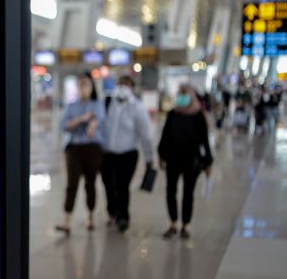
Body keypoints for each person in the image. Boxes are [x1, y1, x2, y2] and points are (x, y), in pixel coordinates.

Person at [158, 84, 213, 239]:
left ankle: (186, 225)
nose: (182, 96)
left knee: (188, 193)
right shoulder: (173, 114)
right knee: (170, 191)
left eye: (185, 93)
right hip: (173, 159)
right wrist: (161, 154)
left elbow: (204, 141)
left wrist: (208, 161)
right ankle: (173, 222)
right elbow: (165, 135)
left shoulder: (198, 116)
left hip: (192, 160)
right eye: (180, 93)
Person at [102, 76, 154, 232]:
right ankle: (112, 211)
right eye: (119, 84)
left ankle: (123, 217)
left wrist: (149, 158)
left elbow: (146, 135)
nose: (122, 87)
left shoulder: (137, 108)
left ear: (132, 87)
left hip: (127, 154)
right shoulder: (108, 103)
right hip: (107, 154)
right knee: (108, 185)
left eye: (125, 84)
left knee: (122, 186)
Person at [56, 74, 105, 235]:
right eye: (81, 85)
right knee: (72, 185)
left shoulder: (97, 104)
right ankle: (67, 220)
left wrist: (89, 125)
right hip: (74, 149)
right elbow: (64, 125)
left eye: (86, 85)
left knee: (90, 184)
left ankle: (90, 216)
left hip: (92, 149)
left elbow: (97, 121)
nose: (83, 88)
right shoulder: (71, 106)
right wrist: (82, 118)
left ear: (91, 87)